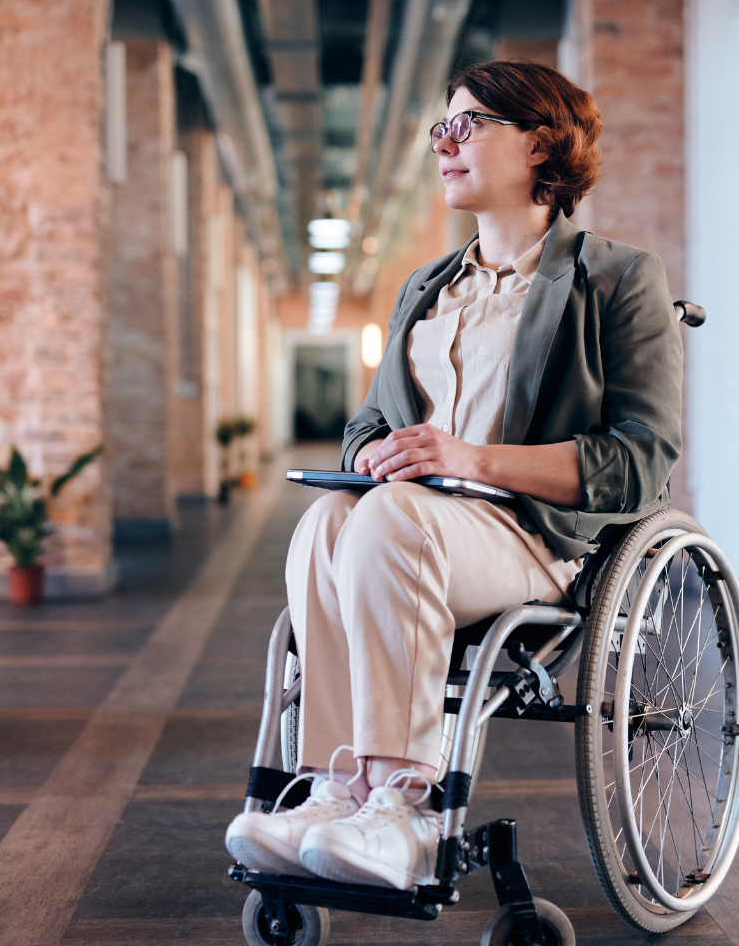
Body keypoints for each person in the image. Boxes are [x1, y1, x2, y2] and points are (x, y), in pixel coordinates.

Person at [226, 60, 683, 891]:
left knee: (387, 520)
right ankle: (338, 788)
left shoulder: (615, 278)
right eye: (441, 127)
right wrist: (370, 454)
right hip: (406, 527)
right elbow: (368, 421)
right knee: (329, 520)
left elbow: (641, 460)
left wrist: (469, 460)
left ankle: (404, 806)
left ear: (541, 142)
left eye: (467, 124)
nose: (445, 141)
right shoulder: (427, 287)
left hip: (528, 537)